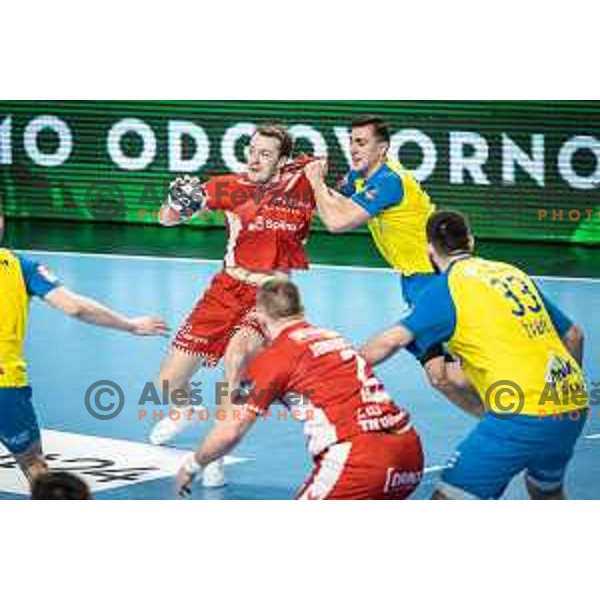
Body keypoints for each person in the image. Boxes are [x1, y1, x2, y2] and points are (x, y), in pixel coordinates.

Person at [360, 210, 588, 500]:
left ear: (430, 249)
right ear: (470, 241)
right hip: (572, 406)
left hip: (523, 414)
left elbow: (390, 342)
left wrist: (337, 363)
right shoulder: (511, 273)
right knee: (546, 493)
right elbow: (574, 335)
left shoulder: (444, 289)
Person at [149, 124, 317, 487]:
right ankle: (186, 409)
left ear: (283, 160)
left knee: (237, 358)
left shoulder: (303, 183)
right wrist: (177, 204)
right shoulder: (229, 186)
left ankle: (214, 454)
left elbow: (340, 195)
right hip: (224, 289)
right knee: (167, 382)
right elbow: (164, 218)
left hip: (268, 295)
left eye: (266, 153)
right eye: (252, 150)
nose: (255, 159)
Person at [176, 279, 424, 500]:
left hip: (359, 460)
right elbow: (313, 387)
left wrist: (191, 465)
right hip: (409, 453)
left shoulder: (272, 359)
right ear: (301, 311)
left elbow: (231, 430)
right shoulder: (333, 338)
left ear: (259, 317)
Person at [0, 233, 169, 490]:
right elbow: (74, 307)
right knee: (34, 464)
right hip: (5, 386)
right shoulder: (20, 266)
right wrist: (129, 325)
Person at [303, 114, 436, 319]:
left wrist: (316, 183)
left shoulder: (389, 181)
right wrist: (298, 184)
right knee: (432, 347)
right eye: (352, 141)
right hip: (413, 274)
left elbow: (336, 223)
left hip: (433, 275)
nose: (353, 149)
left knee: (438, 347)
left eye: (361, 143)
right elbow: (337, 206)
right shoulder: (359, 175)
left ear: (382, 148)